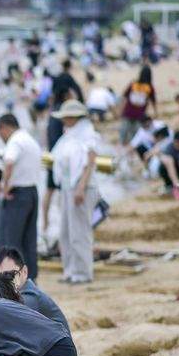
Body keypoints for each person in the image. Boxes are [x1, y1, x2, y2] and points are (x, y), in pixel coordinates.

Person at [51, 100, 100, 284]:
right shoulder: (69, 136)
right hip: (67, 187)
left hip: (81, 188)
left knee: (79, 232)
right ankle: (70, 270)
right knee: (65, 232)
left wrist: (81, 187)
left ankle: (82, 272)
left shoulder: (88, 135)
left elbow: (89, 163)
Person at [0, 113, 43, 280]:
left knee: (11, 240)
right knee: (29, 239)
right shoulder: (30, 140)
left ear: (3, 128)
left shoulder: (15, 141)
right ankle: (31, 278)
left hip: (17, 194)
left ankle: (11, 278)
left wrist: (5, 187)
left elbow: (9, 162)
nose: (1, 137)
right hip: (32, 191)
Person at [0, 246, 70, 334]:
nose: (1, 282)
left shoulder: (29, 298)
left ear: (24, 272)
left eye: (8, 275)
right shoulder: (11, 296)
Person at [118, 65, 157, 146]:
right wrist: (155, 112)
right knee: (136, 133)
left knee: (124, 131)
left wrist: (120, 109)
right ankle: (133, 146)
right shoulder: (149, 87)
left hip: (128, 111)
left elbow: (124, 96)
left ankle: (121, 145)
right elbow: (153, 100)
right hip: (140, 113)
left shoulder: (134, 84)